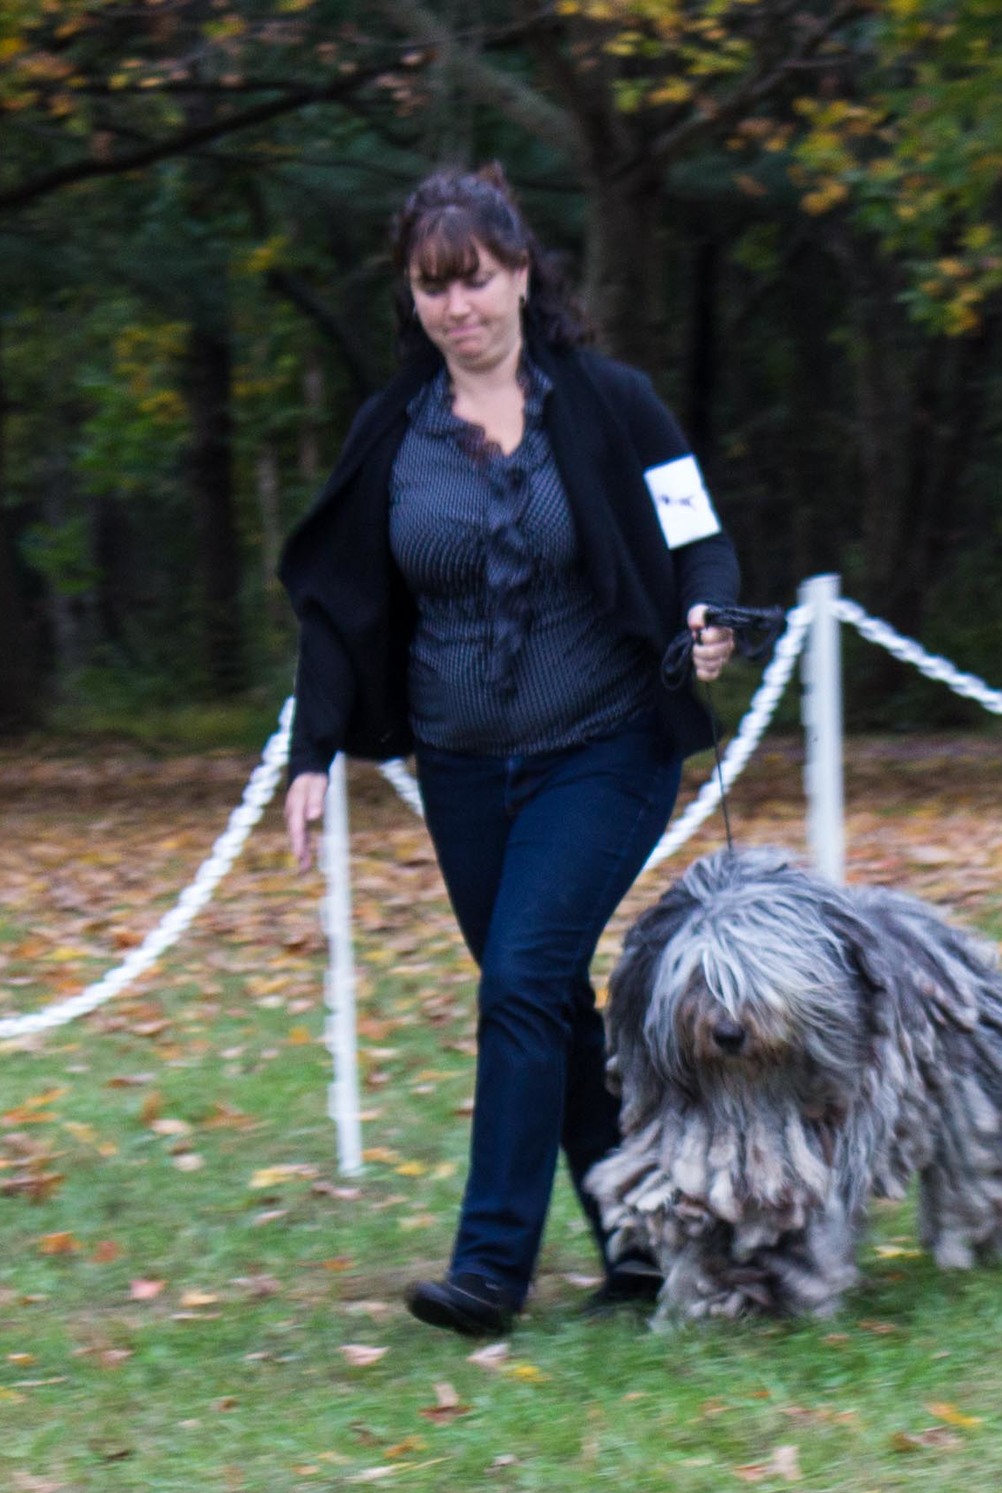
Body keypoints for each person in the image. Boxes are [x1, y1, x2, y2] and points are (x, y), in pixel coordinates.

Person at [278, 165, 737, 1339]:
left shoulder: (612, 401)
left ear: (522, 273)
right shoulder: (394, 430)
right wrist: (312, 754)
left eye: (473, 279)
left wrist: (708, 617)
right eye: (431, 287)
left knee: (521, 982)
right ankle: (642, 1242)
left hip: (607, 743)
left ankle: (490, 1267)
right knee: (548, 1003)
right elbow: (338, 605)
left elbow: (700, 540)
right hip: (463, 767)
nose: (454, 308)